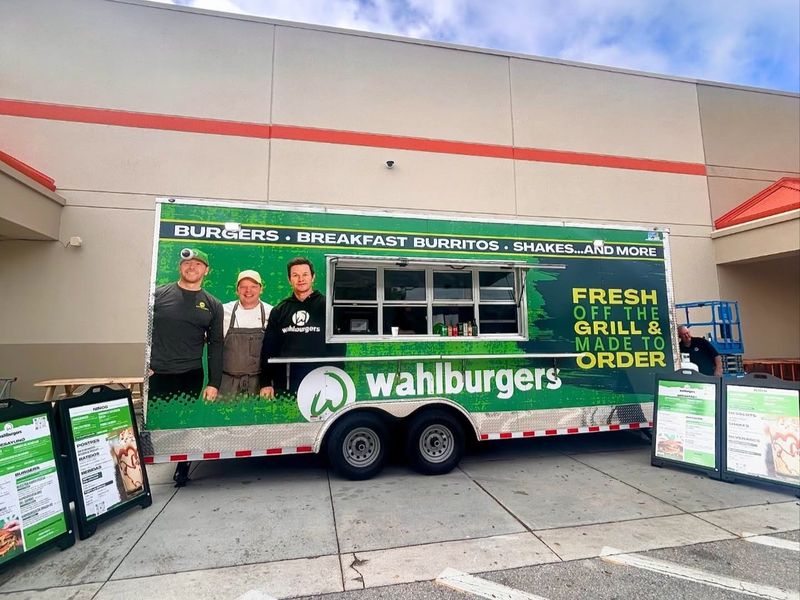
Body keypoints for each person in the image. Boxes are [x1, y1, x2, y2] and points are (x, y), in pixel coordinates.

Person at [148, 247, 223, 486]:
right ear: (180, 267)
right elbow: (143, 330)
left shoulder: (212, 304)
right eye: (188, 263)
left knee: (185, 423)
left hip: (191, 374)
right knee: (158, 422)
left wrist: (214, 382)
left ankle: (182, 467)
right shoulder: (158, 295)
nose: (192, 267)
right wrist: (144, 365)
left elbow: (216, 345)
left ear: (206, 270)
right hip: (158, 372)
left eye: (198, 264)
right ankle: (146, 466)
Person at [259, 257, 332, 398]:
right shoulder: (279, 310)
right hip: (285, 383)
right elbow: (269, 348)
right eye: (295, 275)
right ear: (289, 279)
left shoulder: (328, 307)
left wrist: (335, 376)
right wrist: (265, 382)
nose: (301, 279)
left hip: (323, 381)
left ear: (313, 277)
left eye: (305, 274)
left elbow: (339, 346)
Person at [220, 270, 272, 397]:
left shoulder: (271, 312)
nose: (248, 291)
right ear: (237, 290)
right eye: (243, 287)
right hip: (227, 383)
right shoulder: (223, 311)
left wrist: (268, 383)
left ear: (261, 289)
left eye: (253, 286)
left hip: (260, 384)